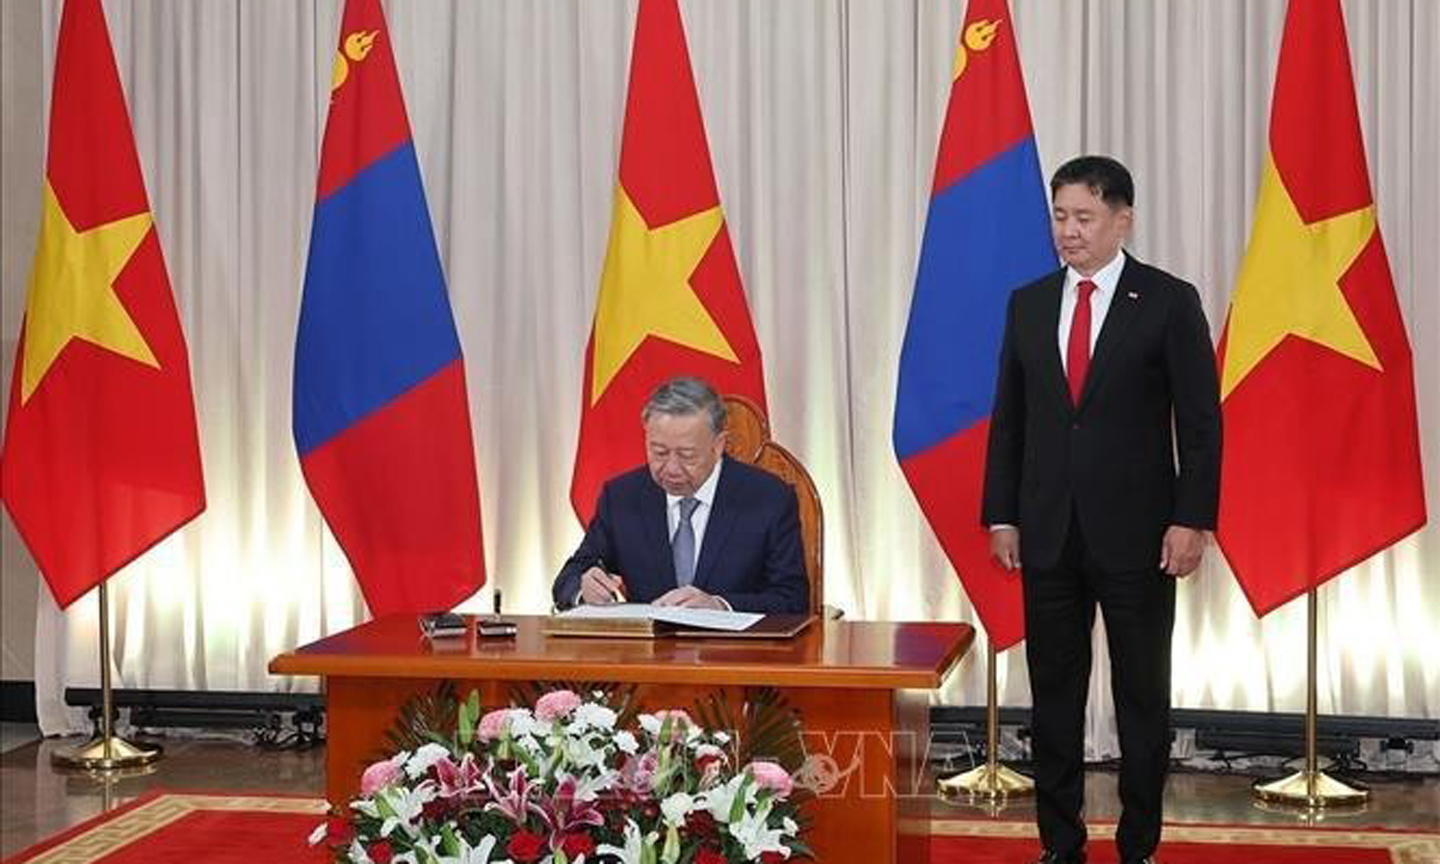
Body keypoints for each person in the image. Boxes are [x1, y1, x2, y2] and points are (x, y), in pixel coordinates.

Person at [981, 156, 1221, 864]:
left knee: (1141, 694)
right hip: (1048, 530)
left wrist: (1192, 518)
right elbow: (1010, 418)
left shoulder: (1169, 301)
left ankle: (1139, 843)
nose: (1069, 232)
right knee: (1053, 696)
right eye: (1060, 216)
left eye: (1084, 217)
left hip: (1141, 535)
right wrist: (1002, 514)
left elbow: (1201, 423)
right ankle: (1060, 842)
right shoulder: (1028, 302)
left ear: (1123, 220)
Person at [553, 376, 809, 614]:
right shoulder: (622, 497)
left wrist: (720, 606)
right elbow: (569, 578)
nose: (671, 469)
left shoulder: (769, 499)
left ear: (718, 445)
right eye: (659, 452)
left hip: (735, 656)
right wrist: (584, 590)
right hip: (647, 658)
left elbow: (793, 599)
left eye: (687, 455)